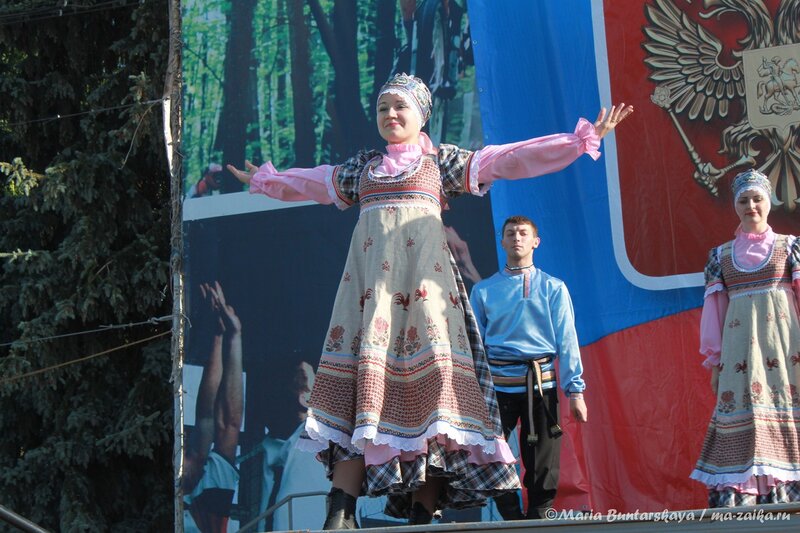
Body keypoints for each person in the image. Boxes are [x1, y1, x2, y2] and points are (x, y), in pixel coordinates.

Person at [228, 73, 632, 529]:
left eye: (400, 107)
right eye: (383, 108)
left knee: (437, 409)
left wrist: (577, 142)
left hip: (428, 308)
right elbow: (315, 182)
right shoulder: (363, 169)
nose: (391, 115)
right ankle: (338, 511)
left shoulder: (441, 164)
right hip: (371, 305)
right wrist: (268, 181)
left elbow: (510, 159)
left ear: (422, 115)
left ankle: (423, 511)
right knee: (360, 400)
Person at [690, 169, 800, 507]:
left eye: (757, 199)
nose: (751, 205)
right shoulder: (720, 256)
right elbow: (715, 311)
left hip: (785, 350)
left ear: (769, 202)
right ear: (735, 206)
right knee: (744, 412)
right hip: (739, 355)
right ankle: (744, 498)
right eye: (743, 200)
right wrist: (714, 362)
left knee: (786, 408)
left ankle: (786, 492)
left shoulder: (791, 246)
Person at [469, 215, 588, 520]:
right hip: (497, 387)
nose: (517, 238)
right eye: (510, 233)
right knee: (489, 450)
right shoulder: (483, 291)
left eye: (523, 233)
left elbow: (567, 339)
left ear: (536, 241)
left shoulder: (553, 287)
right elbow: (474, 345)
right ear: (503, 241)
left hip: (541, 383)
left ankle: (539, 516)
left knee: (543, 459)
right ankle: (510, 513)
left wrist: (575, 390)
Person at [183, 282, 244, 532]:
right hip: (197, 508)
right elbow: (217, 422)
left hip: (202, 507)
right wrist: (226, 337)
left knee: (222, 426)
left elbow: (220, 421)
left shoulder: (200, 484)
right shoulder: (190, 483)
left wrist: (229, 336)